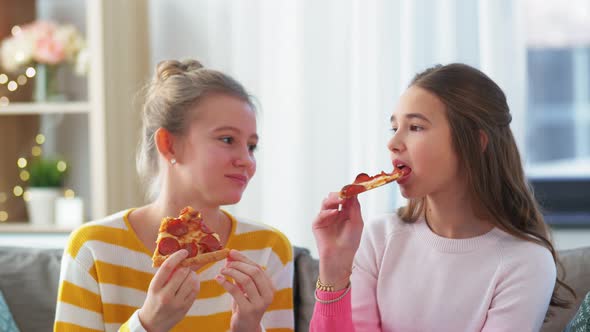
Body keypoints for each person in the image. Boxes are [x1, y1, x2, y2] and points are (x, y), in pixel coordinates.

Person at [310, 63, 574, 331]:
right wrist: (334, 273)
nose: (393, 143)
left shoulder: (526, 261)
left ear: (474, 142)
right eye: (394, 128)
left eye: (415, 127)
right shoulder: (377, 239)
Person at [54, 59, 294, 332]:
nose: (247, 161)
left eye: (251, 146)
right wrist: (148, 323)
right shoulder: (92, 249)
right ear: (169, 145)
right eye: (227, 140)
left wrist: (247, 327)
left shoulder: (268, 250)